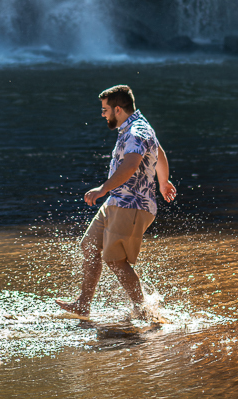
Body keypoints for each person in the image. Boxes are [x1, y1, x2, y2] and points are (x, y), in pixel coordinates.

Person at [57, 84, 176, 320]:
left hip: (131, 205)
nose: (103, 114)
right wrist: (163, 182)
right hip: (117, 201)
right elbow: (159, 153)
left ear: (118, 109)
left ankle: (145, 313)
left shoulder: (136, 131)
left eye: (105, 109)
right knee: (90, 246)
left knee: (115, 260)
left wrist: (102, 188)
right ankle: (83, 304)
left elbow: (131, 165)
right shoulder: (136, 127)